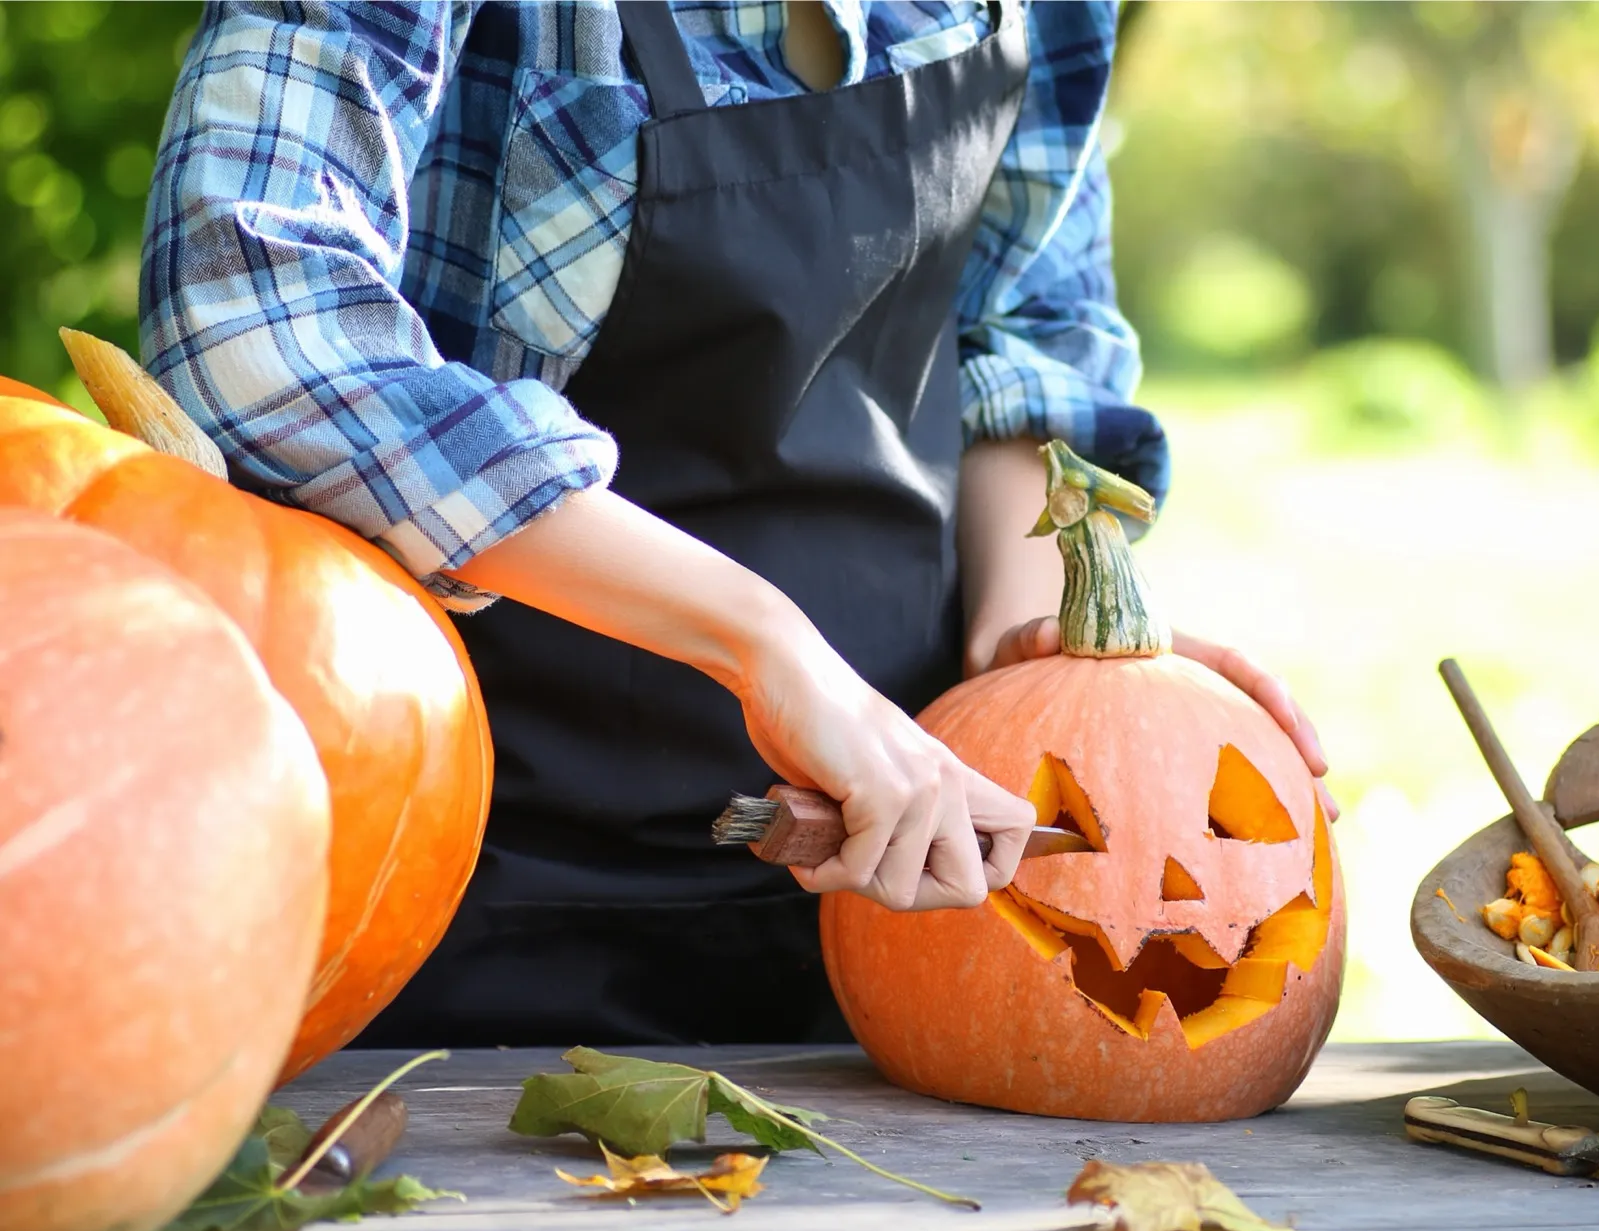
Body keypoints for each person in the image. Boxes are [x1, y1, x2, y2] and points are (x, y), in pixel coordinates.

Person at [141, 0, 1331, 1047]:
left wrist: (1026, 674)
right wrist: (764, 642)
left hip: (895, 898)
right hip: (458, 904)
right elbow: (253, 319)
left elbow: (1028, 329)